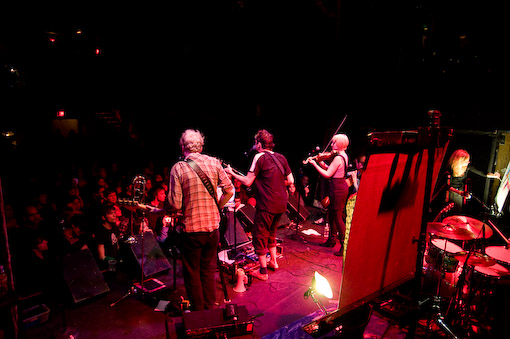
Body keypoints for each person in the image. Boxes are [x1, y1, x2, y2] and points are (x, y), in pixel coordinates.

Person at [167, 129, 234, 311]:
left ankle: (198, 313)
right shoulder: (214, 163)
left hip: (192, 230)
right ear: (201, 146)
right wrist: (218, 207)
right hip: (213, 229)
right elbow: (229, 190)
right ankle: (210, 309)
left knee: (192, 272)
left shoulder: (178, 168)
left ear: (182, 147)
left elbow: (175, 204)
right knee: (208, 270)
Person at [225, 129, 294, 281]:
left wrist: (232, 173)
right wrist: (274, 182)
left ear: (259, 144)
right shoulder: (281, 157)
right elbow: (291, 180)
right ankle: (273, 262)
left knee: (259, 235)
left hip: (268, 203)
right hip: (281, 203)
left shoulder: (259, 156)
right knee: (272, 233)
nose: (254, 145)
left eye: (255, 142)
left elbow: (248, 181)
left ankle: (263, 271)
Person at [304, 133, 350, 256]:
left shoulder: (339, 158)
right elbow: (331, 170)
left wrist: (314, 164)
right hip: (337, 186)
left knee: (337, 217)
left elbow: (328, 174)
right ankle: (331, 240)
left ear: (339, 144)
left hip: (338, 188)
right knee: (331, 215)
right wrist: (320, 163)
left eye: (334, 142)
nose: (332, 144)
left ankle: (344, 244)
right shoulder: (342, 156)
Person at [438, 149, 500, 215]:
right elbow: (446, 186)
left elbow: (482, 173)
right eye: (467, 160)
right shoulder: (449, 169)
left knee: (458, 214)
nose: (468, 162)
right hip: (451, 194)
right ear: (460, 161)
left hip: (460, 194)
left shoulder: (466, 168)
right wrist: (459, 192)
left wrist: (494, 176)